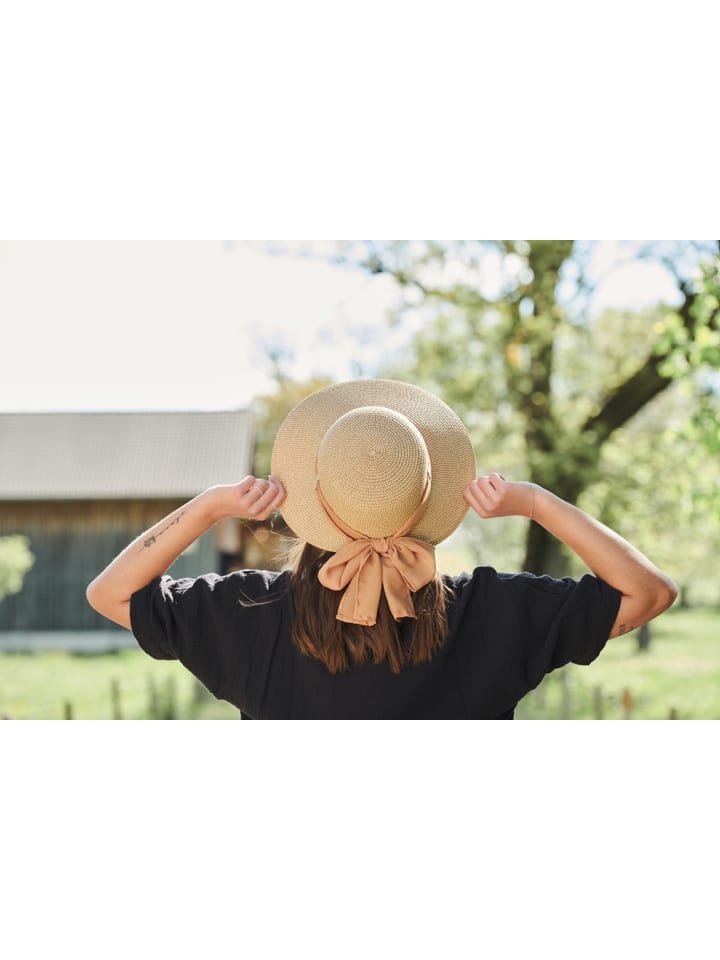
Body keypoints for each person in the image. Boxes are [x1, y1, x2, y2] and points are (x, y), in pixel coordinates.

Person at [86, 379, 677, 719]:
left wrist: (210, 506)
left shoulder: (250, 613)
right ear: (427, 495)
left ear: (314, 500)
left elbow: (110, 594)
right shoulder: (494, 610)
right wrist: (537, 502)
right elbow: (649, 594)